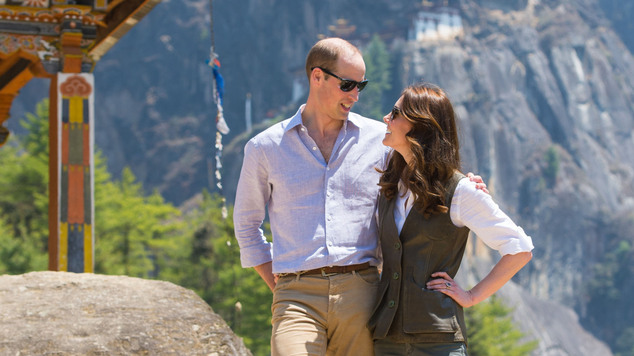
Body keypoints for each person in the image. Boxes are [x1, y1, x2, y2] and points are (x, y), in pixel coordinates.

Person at [234, 38, 486, 355]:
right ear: (317, 77)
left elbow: (422, 177)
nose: (355, 95)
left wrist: (463, 184)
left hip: (364, 293)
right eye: (348, 84)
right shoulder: (264, 147)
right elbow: (246, 227)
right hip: (294, 295)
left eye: (360, 86)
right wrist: (283, 286)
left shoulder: (380, 141)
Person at [368, 83, 534, 356]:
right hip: (386, 341)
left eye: (396, 113)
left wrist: (471, 296)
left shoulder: (462, 190)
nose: (387, 118)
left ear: (420, 125)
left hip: (439, 343)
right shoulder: (390, 184)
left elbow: (519, 249)